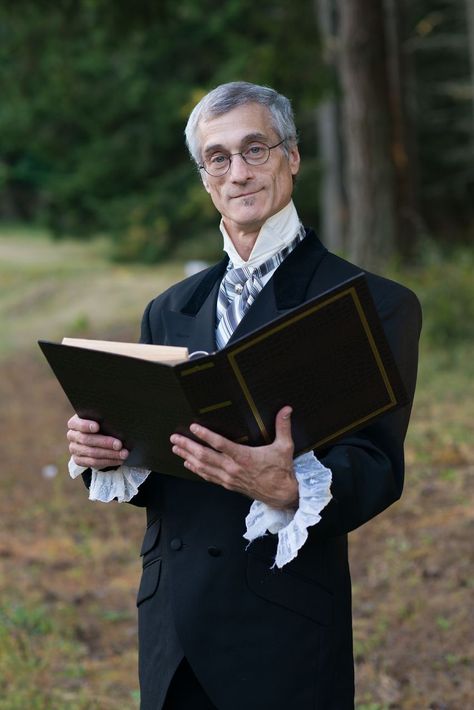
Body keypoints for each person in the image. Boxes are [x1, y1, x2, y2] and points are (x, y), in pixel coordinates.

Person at [67, 81, 421, 710]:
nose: (238, 173)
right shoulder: (169, 308)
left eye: (255, 150)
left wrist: (289, 488)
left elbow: (378, 466)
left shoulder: (371, 303)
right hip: (173, 628)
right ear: (205, 177)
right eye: (218, 158)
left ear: (293, 156)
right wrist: (110, 452)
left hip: (283, 628)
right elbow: (169, 468)